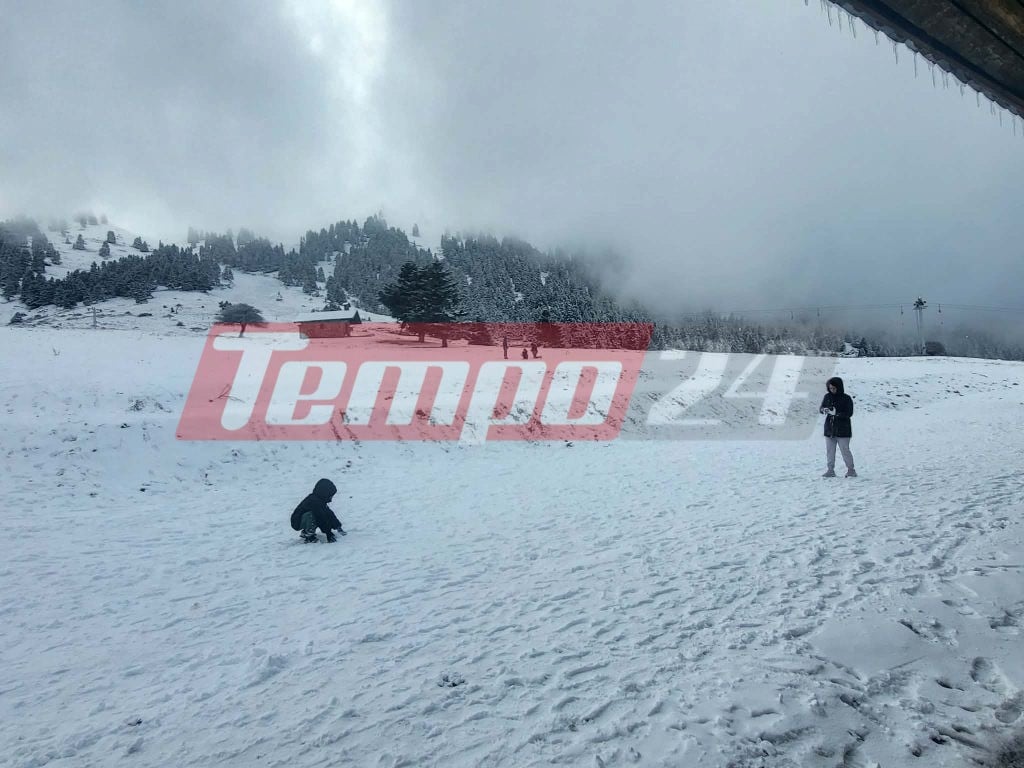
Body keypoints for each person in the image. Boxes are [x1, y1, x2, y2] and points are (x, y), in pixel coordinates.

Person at [819, 376, 856, 477]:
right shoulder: (827, 397)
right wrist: (824, 410)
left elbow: (849, 413)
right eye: (830, 388)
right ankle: (830, 470)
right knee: (830, 451)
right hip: (829, 429)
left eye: (834, 388)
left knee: (845, 450)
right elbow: (821, 408)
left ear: (839, 387)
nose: (832, 390)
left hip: (843, 430)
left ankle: (851, 470)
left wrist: (837, 414)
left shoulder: (846, 398)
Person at [290, 478, 346, 542]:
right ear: (325, 493)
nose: (331, 498)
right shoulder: (314, 501)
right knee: (312, 515)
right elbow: (321, 519)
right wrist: (328, 533)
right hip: (297, 522)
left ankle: (307, 531)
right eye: (330, 496)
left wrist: (337, 526)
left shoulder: (320, 501)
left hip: (304, 519)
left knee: (322, 513)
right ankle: (308, 534)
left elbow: (329, 514)